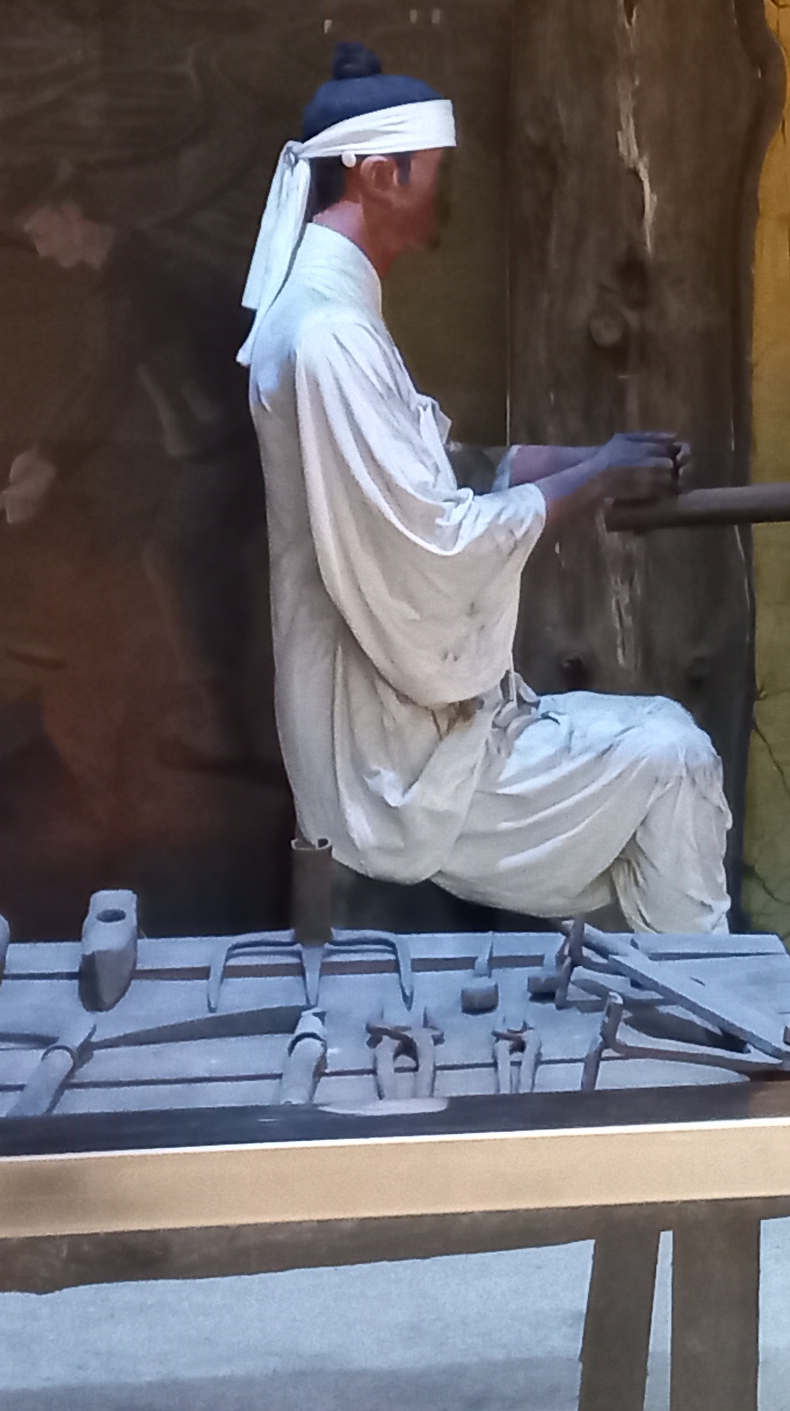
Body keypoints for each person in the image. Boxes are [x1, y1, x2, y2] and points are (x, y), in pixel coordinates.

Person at [240, 47, 728, 929]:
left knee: (658, 754)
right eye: (436, 171)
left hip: (401, 721)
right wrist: (594, 481)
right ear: (379, 175)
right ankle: (701, 1003)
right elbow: (429, 547)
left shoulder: (335, 321)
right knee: (674, 758)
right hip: (387, 754)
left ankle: (666, 991)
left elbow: (446, 467)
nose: (448, 195)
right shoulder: (327, 339)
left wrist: (600, 455)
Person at [11, 175, 275, 774]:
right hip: (229, 427)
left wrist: (48, 466)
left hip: (232, 433)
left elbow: (108, 379)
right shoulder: (133, 266)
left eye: (40, 230)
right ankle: (226, 709)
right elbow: (99, 371)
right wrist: (44, 451)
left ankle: (226, 730)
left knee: (182, 553)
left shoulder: (138, 280)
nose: (39, 249)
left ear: (70, 211)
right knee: (196, 554)